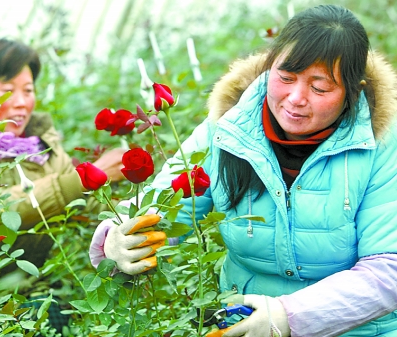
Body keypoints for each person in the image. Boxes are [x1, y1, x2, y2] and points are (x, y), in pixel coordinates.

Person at [89, 5, 397, 336]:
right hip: (241, 322)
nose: (295, 98)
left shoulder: (381, 144)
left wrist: (288, 316)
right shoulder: (228, 128)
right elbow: (165, 208)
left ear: (353, 90)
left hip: (360, 329)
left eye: (319, 87)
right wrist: (121, 237)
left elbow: (388, 268)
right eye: (286, 77)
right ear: (269, 67)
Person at [0, 38, 126, 322]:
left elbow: (82, 210)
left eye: (28, 91)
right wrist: (87, 177)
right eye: (7, 91)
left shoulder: (41, 151)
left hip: (27, 298)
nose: (21, 103)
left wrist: (133, 209)